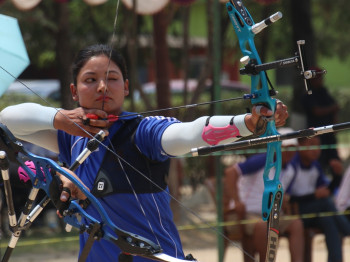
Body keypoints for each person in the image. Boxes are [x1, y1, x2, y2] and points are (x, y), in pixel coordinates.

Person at [0, 44, 289, 262]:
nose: (102, 87)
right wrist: (60, 117)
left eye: (112, 78)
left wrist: (248, 123)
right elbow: (7, 119)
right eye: (90, 80)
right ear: (74, 91)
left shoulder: (143, 132)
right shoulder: (70, 136)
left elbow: (188, 133)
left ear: (126, 87)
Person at [224, 127, 304, 262]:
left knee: (296, 224)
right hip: (245, 213)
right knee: (263, 225)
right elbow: (231, 172)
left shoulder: (291, 169)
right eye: (286, 147)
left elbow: (285, 195)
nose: (289, 151)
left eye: (292, 147)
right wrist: (237, 201)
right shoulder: (263, 160)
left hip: (271, 215)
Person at [287, 136, 350, 262]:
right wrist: (313, 196)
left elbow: (325, 192)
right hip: (296, 212)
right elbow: (286, 198)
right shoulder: (292, 166)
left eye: (317, 146)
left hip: (313, 212)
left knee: (328, 219)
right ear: (300, 145)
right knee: (325, 203)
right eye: (311, 145)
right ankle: (347, 229)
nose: (315, 150)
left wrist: (336, 176)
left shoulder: (316, 166)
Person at [302, 67, 343, 191]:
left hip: (329, 135)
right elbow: (317, 111)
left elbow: (335, 109)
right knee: (318, 163)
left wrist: (335, 121)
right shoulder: (308, 94)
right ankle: (318, 189)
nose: (320, 80)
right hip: (317, 135)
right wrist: (332, 109)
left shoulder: (324, 92)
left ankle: (336, 189)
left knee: (335, 162)